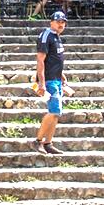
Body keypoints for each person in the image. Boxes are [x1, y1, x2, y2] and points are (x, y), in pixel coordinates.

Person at [32, 11, 71, 155]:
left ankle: (48, 143)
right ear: (51, 22)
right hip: (49, 80)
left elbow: (54, 59)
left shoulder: (56, 37)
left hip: (56, 79)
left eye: (63, 22)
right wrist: (41, 83)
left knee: (56, 113)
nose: (61, 24)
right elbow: (40, 59)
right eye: (58, 21)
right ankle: (37, 141)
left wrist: (61, 75)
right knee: (54, 111)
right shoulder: (47, 35)